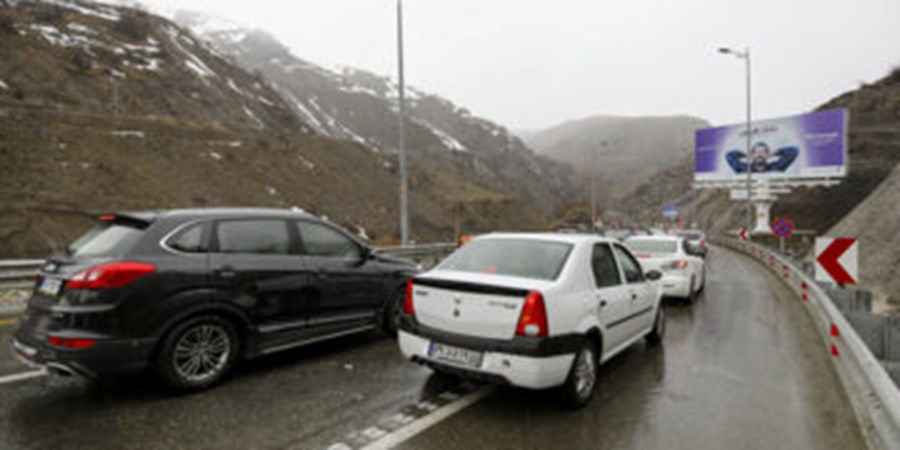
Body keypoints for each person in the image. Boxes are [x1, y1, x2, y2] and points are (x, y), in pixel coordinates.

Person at [726, 142, 798, 173]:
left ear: (767, 155)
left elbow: (794, 151)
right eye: (757, 152)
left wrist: (775, 153)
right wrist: (745, 155)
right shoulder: (744, 169)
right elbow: (729, 155)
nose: (759, 154)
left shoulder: (776, 167)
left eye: (763, 152)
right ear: (752, 155)